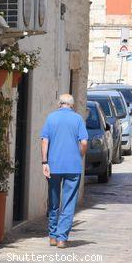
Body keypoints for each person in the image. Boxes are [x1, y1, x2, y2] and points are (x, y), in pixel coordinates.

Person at [40, 93, 88, 248]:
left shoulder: (51, 118)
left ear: (59, 103)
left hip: (53, 165)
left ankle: (52, 236)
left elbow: (45, 140)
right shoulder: (78, 119)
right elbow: (84, 143)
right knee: (68, 203)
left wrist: (44, 162)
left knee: (53, 200)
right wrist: (79, 155)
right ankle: (62, 238)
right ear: (72, 105)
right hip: (73, 167)